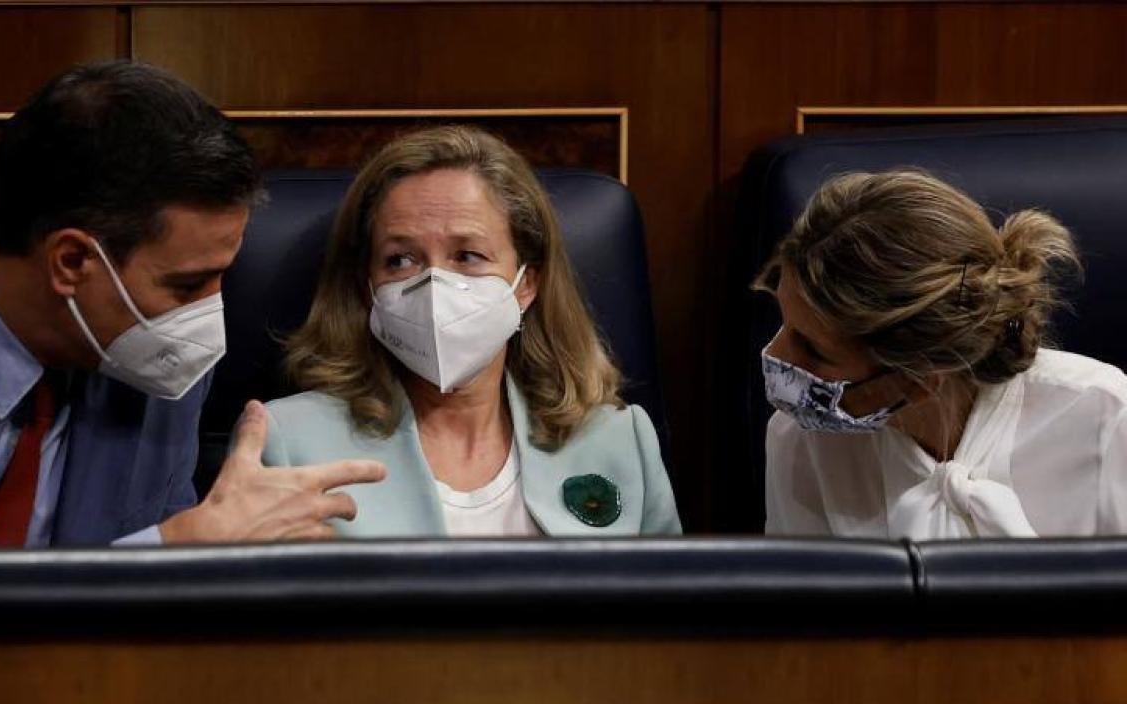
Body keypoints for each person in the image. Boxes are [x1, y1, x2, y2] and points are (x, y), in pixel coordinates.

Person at [0, 61, 383, 547]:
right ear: (72, 260)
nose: (207, 319)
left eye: (220, 280)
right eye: (186, 287)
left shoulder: (158, 359)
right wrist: (174, 551)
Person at [261, 126, 680, 537]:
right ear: (366, 288)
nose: (433, 286)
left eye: (467, 255)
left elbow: (670, 601)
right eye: (400, 260)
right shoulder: (290, 443)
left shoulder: (619, 439)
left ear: (527, 283)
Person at [758, 169, 1127, 539]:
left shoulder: (1107, 417)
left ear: (919, 379)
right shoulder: (798, 440)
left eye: (813, 349)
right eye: (784, 324)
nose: (775, 354)